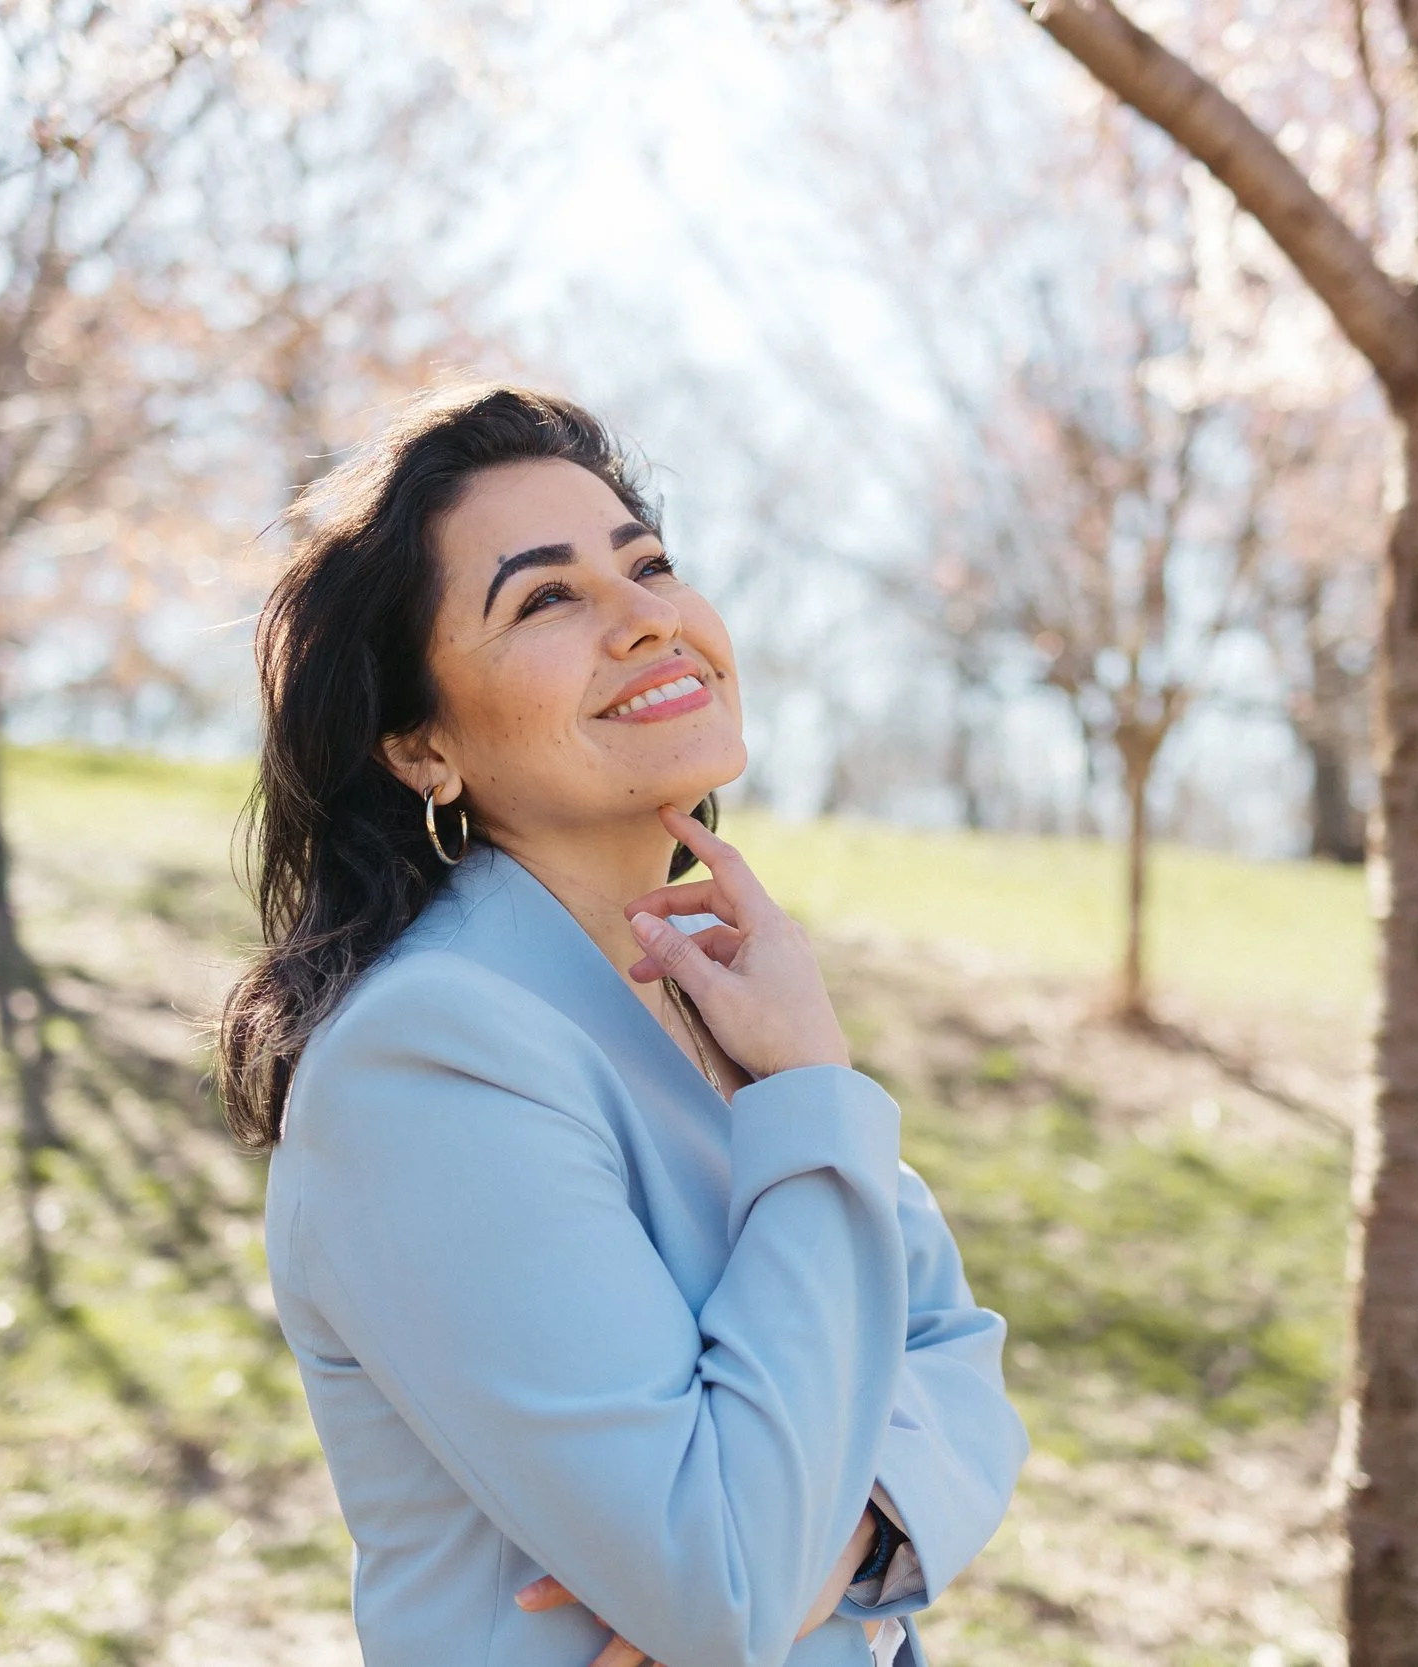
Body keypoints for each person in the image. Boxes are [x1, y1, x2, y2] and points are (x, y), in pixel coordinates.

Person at [218, 382, 1028, 1667]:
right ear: (420, 744)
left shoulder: (717, 996)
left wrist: (858, 1536)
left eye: (647, 563)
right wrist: (812, 1085)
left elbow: (953, 1352)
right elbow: (723, 1579)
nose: (649, 618)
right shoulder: (430, 1055)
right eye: (545, 596)